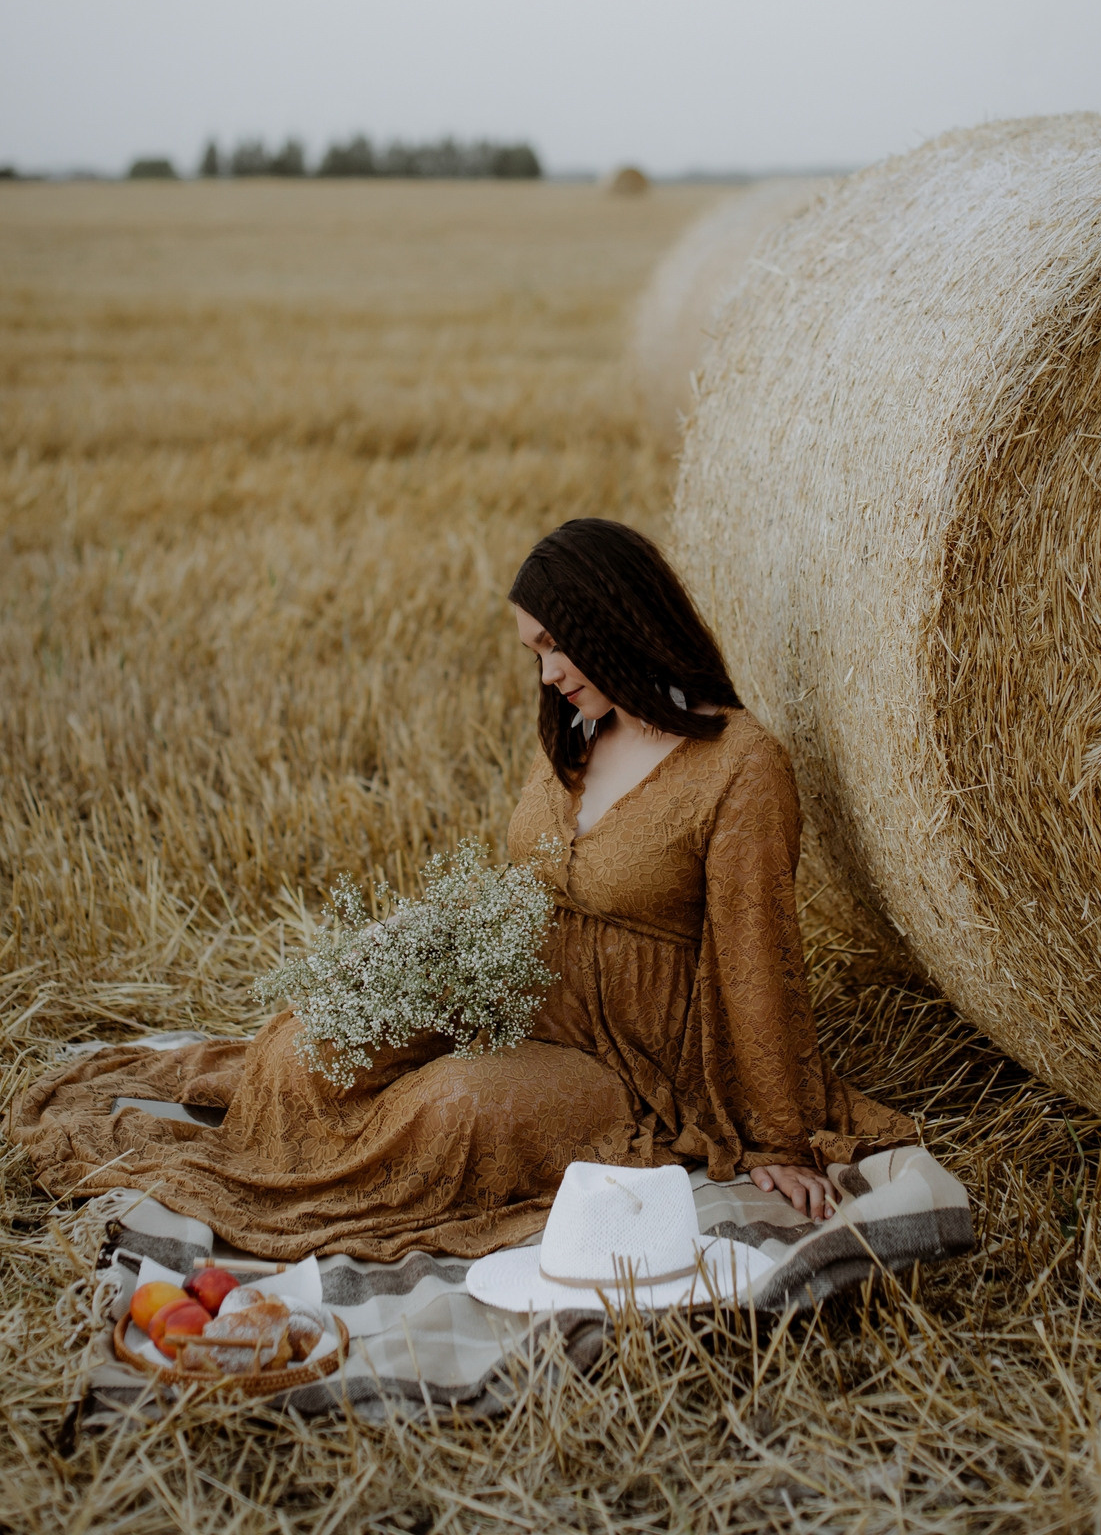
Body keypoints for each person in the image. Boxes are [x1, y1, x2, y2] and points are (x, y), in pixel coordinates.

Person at [16, 519, 913, 1261]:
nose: (548, 674)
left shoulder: (741, 767)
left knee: (452, 1109)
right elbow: (523, 877)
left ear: (619, 624)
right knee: (307, 1047)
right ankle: (290, 1140)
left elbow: (758, 954)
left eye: (560, 647)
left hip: (636, 1065)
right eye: (534, 651)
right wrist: (418, 945)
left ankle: (317, 1188)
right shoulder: (576, 728)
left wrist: (779, 1137)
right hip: (514, 989)